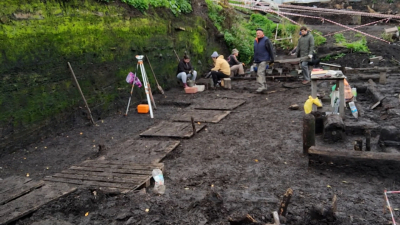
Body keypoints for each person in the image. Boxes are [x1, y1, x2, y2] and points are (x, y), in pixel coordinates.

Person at [253, 28, 274, 93]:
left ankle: (261, 86)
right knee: (260, 73)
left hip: (264, 59)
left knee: (260, 72)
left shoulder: (266, 40)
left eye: (259, 33)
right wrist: (254, 59)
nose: (258, 34)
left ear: (262, 33)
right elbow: (255, 51)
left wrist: (272, 59)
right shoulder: (255, 41)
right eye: (257, 33)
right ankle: (264, 86)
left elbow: (271, 49)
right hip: (257, 59)